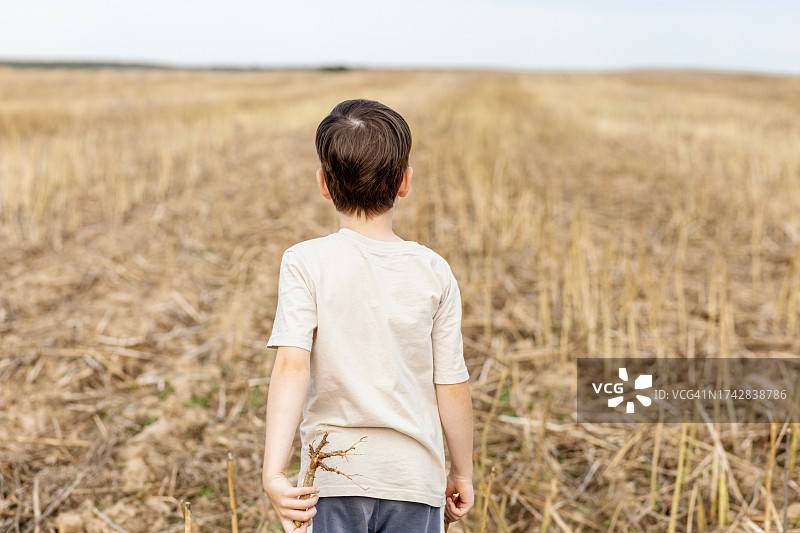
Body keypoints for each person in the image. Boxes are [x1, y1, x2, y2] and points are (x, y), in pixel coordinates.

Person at [262, 99, 474, 533]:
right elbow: (451, 384)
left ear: (323, 183)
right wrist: (462, 471)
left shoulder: (305, 261)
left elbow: (291, 365)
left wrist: (273, 472)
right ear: (404, 182)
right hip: (414, 479)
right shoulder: (434, 270)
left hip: (331, 478)